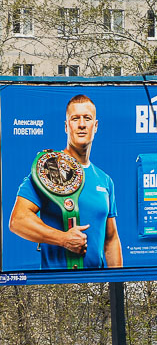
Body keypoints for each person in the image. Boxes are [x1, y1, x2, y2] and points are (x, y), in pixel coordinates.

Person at [9, 93, 123, 269]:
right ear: (66, 126)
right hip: (58, 286)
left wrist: (117, 284)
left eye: (87, 118)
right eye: (75, 118)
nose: (82, 124)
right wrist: (63, 239)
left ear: (96, 126)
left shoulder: (105, 180)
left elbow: (111, 239)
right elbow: (18, 220)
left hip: (98, 286)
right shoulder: (48, 169)